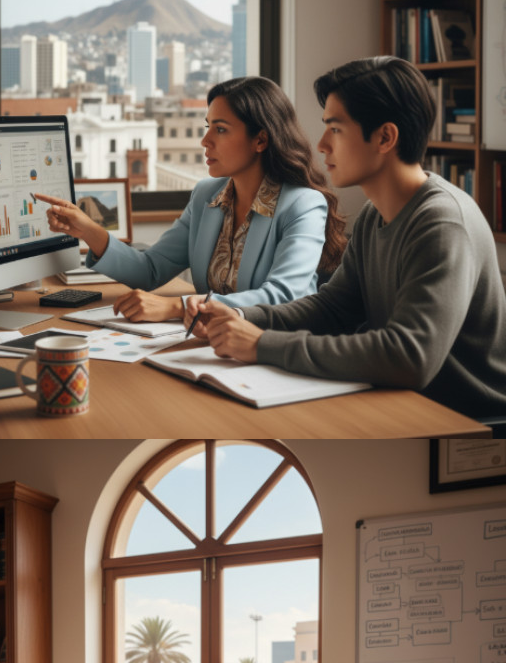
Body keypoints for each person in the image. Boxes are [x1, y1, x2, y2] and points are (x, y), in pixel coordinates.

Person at [194, 56, 506, 419]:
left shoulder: (442, 223)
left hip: (470, 423)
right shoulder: (377, 213)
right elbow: (334, 309)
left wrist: (262, 344)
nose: (322, 144)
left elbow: (409, 357)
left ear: (385, 137)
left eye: (335, 129)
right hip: (405, 403)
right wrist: (241, 316)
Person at [36, 77, 345, 326]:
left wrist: (177, 307)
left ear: (260, 140)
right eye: (207, 126)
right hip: (213, 344)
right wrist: (89, 230)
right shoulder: (206, 196)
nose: (205, 140)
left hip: (274, 347)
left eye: (220, 129)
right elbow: (150, 270)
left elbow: (284, 297)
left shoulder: (303, 204)